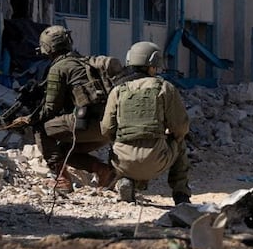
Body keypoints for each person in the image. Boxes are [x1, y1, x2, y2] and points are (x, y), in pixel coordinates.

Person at [101, 41, 192, 204]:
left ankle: (125, 181)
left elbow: (107, 129)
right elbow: (180, 127)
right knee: (180, 143)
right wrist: (172, 136)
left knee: (116, 145)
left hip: (123, 161)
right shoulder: (165, 88)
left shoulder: (118, 90)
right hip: (156, 160)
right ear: (152, 65)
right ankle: (181, 195)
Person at [34, 25, 120, 194]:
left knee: (40, 128)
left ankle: (62, 180)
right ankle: (103, 171)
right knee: (65, 151)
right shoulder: (85, 61)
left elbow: (51, 108)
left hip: (88, 124)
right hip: (109, 127)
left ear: (47, 48)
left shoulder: (59, 68)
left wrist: (30, 119)